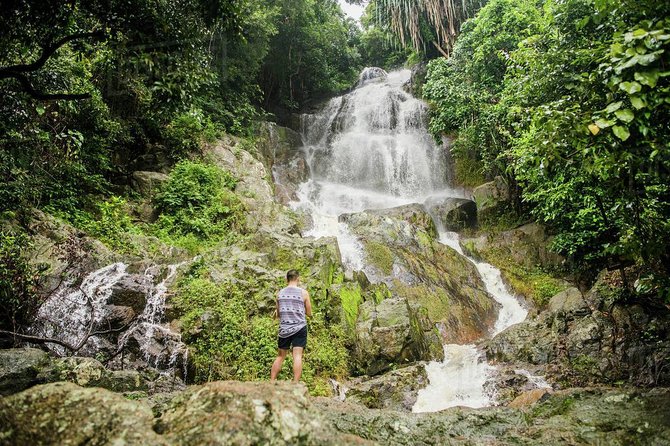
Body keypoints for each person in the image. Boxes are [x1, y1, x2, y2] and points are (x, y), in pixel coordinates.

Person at [270, 269, 312, 382]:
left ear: (286, 279)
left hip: (284, 329)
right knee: (297, 356)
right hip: (299, 328)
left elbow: (278, 314)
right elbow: (309, 313)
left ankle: (272, 382)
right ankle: (295, 384)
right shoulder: (303, 293)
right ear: (298, 279)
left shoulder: (279, 294)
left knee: (280, 356)